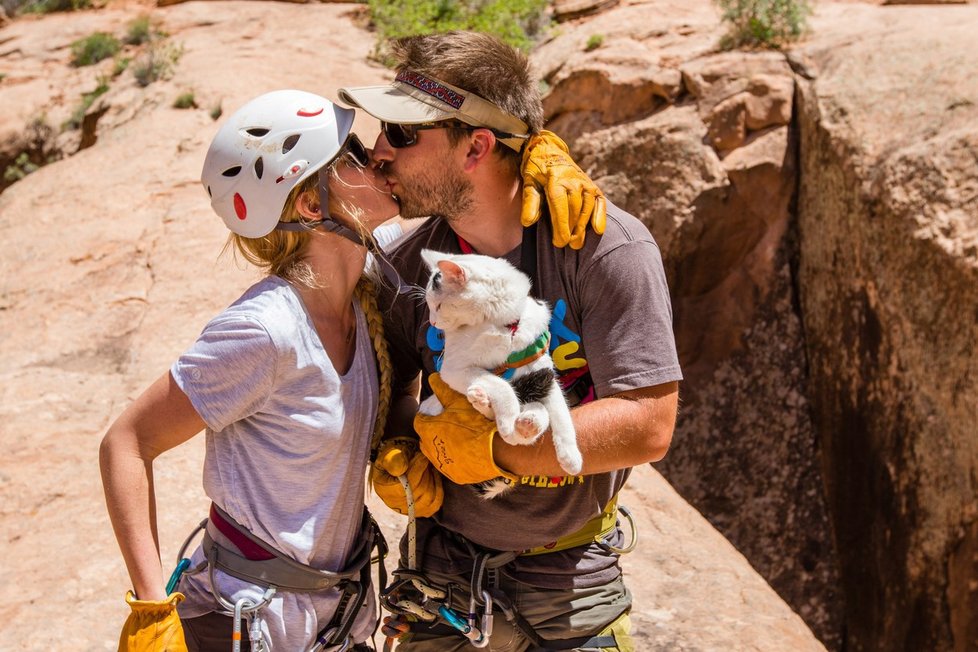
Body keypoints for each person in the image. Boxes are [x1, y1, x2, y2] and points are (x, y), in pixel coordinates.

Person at [339, 32, 683, 651]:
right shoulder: (407, 266)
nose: (380, 152)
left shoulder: (604, 249)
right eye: (381, 129)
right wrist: (396, 449)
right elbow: (394, 391)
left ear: (477, 146)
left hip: (571, 582)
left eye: (403, 133)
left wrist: (501, 452)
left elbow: (648, 424)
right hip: (442, 578)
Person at [99, 89, 407, 652]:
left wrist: (536, 157)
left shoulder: (365, 281)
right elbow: (127, 441)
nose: (379, 159)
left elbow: (459, 201)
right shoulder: (266, 330)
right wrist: (150, 608)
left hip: (331, 616)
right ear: (313, 207)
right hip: (247, 621)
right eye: (356, 153)